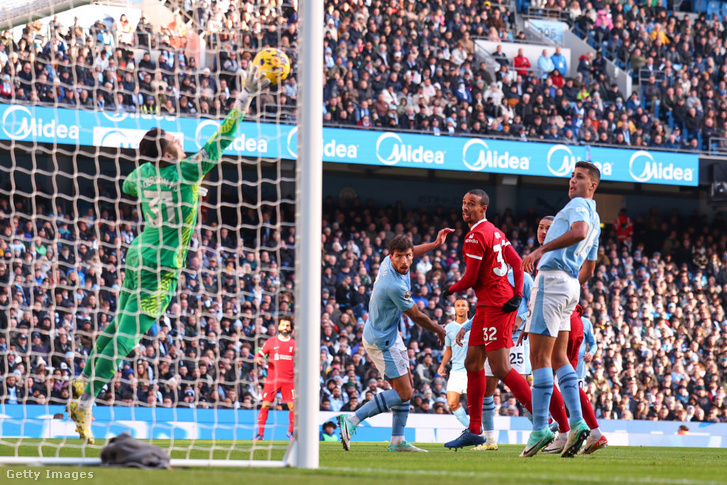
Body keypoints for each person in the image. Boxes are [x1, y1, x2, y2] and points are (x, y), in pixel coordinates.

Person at [67, 66, 271, 444]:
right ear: (167, 151)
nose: (180, 138)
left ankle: (82, 381)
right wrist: (245, 97)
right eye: (173, 139)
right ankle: (88, 399)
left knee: (115, 325)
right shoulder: (189, 171)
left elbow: (131, 184)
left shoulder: (143, 174)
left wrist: (174, 188)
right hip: (160, 266)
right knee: (129, 336)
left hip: (136, 256)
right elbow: (221, 139)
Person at [338, 232, 450, 452]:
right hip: (381, 340)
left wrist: (435, 244)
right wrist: (440, 330)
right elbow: (416, 316)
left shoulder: (389, 261)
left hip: (390, 333)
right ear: (391, 256)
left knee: (407, 384)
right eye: (399, 256)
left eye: (408, 256)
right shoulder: (394, 286)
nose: (405, 261)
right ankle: (352, 420)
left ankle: (398, 440)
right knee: (405, 393)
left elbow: (413, 249)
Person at [520, 161, 601, 458]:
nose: (572, 181)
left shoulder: (579, 206)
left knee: (539, 357)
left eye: (579, 177)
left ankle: (540, 428)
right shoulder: (596, 217)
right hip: (571, 286)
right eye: (571, 176)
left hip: (552, 280)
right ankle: (578, 422)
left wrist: (541, 250)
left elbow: (578, 232)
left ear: (591, 185)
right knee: (558, 357)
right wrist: (568, 285)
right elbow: (589, 268)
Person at [442, 189, 531, 450]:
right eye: (463, 202)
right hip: (489, 303)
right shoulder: (494, 231)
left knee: (501, 367)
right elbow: (516, 262)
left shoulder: (475, 236)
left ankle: (543, 422)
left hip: (494, 304)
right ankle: (474, 429)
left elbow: (469, 279)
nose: (465, 207)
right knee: (472, 361)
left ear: (483, 209)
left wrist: (450, 288)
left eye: (471, 204)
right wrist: (516, 293)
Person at [571, 305, 608, 454]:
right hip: (562, 368)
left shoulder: (585, 322)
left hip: (578, 371)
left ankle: (579, 438)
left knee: (576, 405)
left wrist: (591, 353)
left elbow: (593, 344)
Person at [254, 316, 296, 440]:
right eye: (283, 325)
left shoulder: (294, 343)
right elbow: (259, 354)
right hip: (272, 380)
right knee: (266, 405)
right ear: (279, 327)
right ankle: (260, 434)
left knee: (293, 407)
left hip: (289, 380)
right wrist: (258, 358)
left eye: (288, 325)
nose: (285, 327)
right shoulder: (271, 342)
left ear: (291, 328)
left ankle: (290, 432)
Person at [437, 298, 471, 428]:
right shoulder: (449, 327)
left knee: (475, 405)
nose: (461, 308)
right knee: (452, 403)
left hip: (472, 371)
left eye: (463, 305)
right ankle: (472, 430)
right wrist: (442, 366)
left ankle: (478, 430)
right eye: (458, 306)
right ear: (454, 309)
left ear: (468, 308)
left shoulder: (475, 325)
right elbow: (448, 350)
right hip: (456, 371)